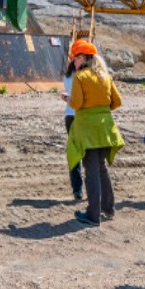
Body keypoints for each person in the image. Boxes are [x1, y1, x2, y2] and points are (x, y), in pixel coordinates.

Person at [65, 39, 124, 227]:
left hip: (87, 130)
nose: (73, 62)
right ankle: (109, 208)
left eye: (75, 58)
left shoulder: (80, 77)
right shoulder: (105, 76)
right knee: (101, 168)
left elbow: (77, 103)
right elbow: (117, 101)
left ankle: (93, 214)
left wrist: (68, 99)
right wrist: (101, 110)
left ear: (82, 58)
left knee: (91, 171)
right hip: (105, 127)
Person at [62, 58, 84, 202]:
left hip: (70, 115)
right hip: (83, 116)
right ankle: (91, 188)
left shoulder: (67, 76)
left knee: (74, 152)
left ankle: (77, 189)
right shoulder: (85, 76)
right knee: (89, 153)